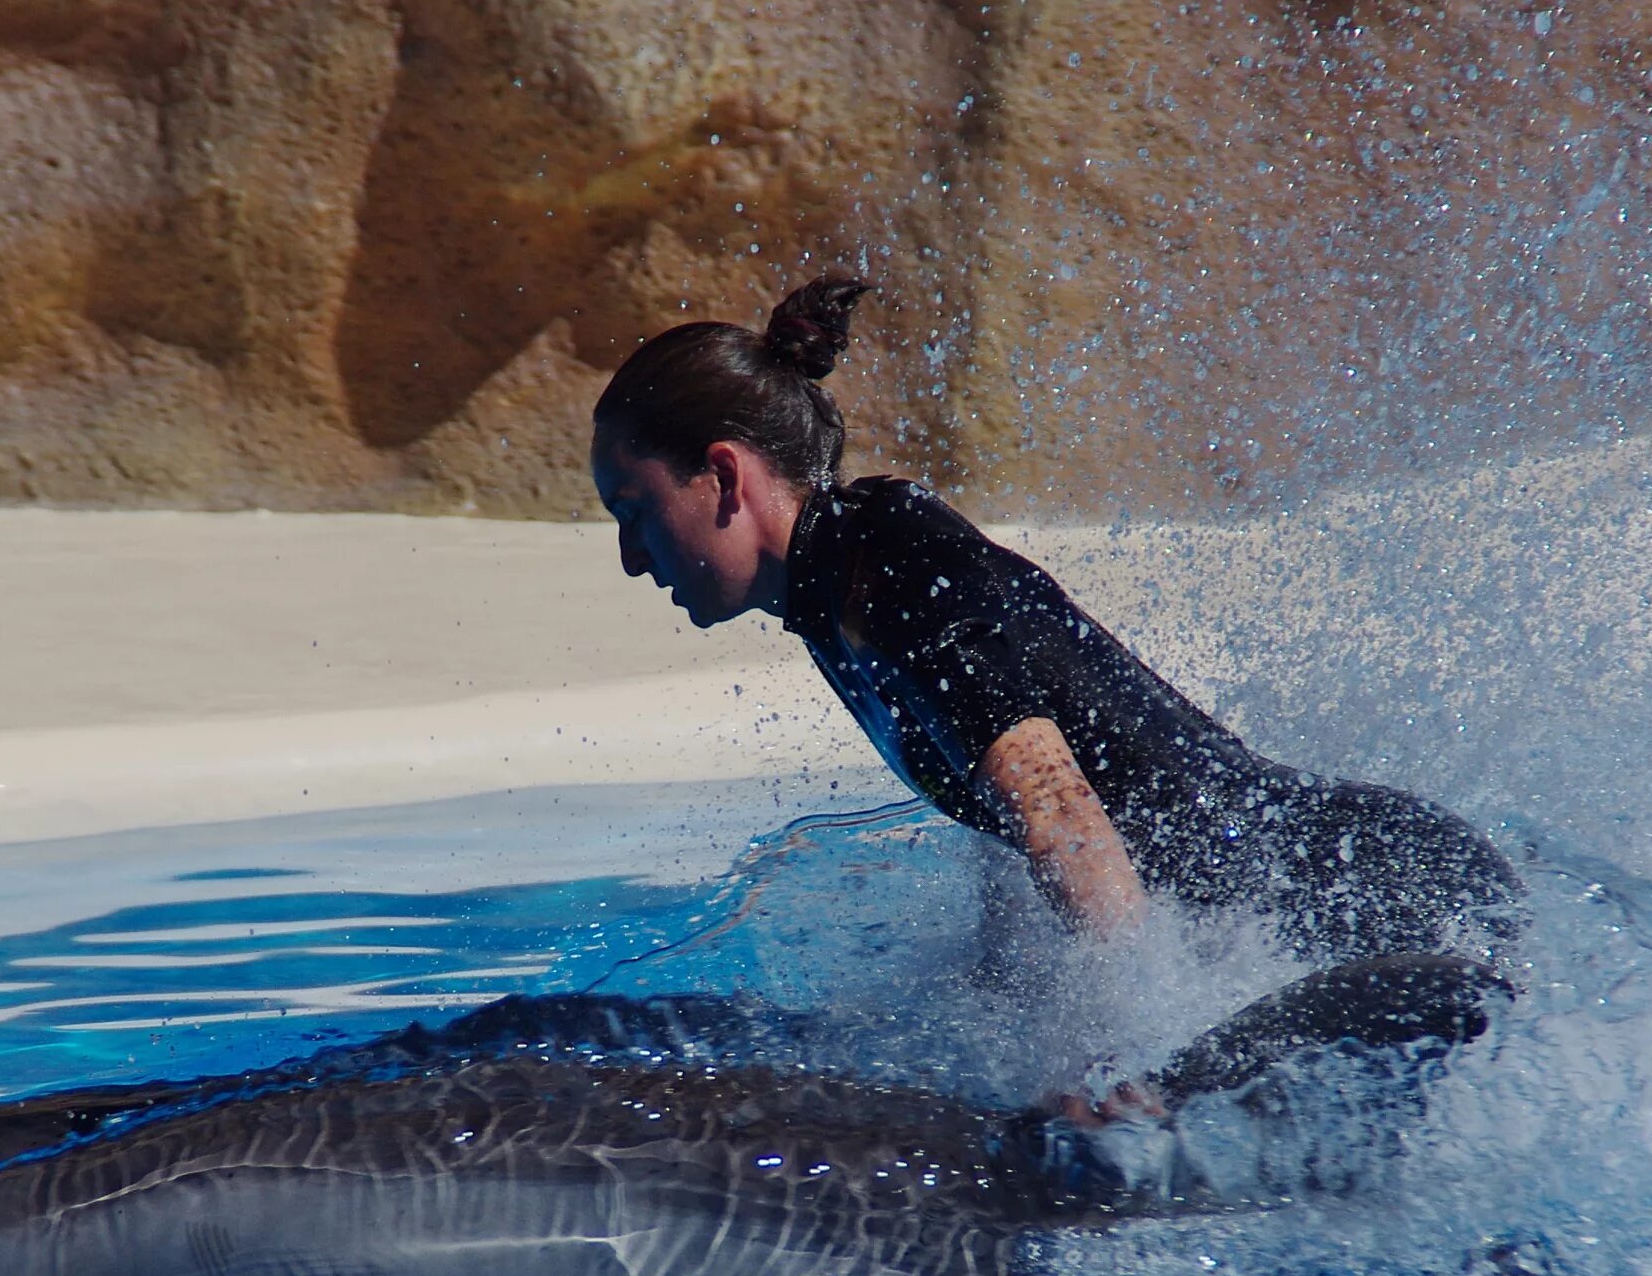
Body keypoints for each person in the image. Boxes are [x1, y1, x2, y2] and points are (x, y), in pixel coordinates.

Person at [589, 276, 1523, 988]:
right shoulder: (834, 590)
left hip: (1383, 907)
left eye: (635, 510)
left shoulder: (888, 565)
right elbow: (1010, 825)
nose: (634, 560)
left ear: (723, 474)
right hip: (1325, 916)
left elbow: (1059, 813)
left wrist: (1109, 1061)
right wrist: (993, 997)